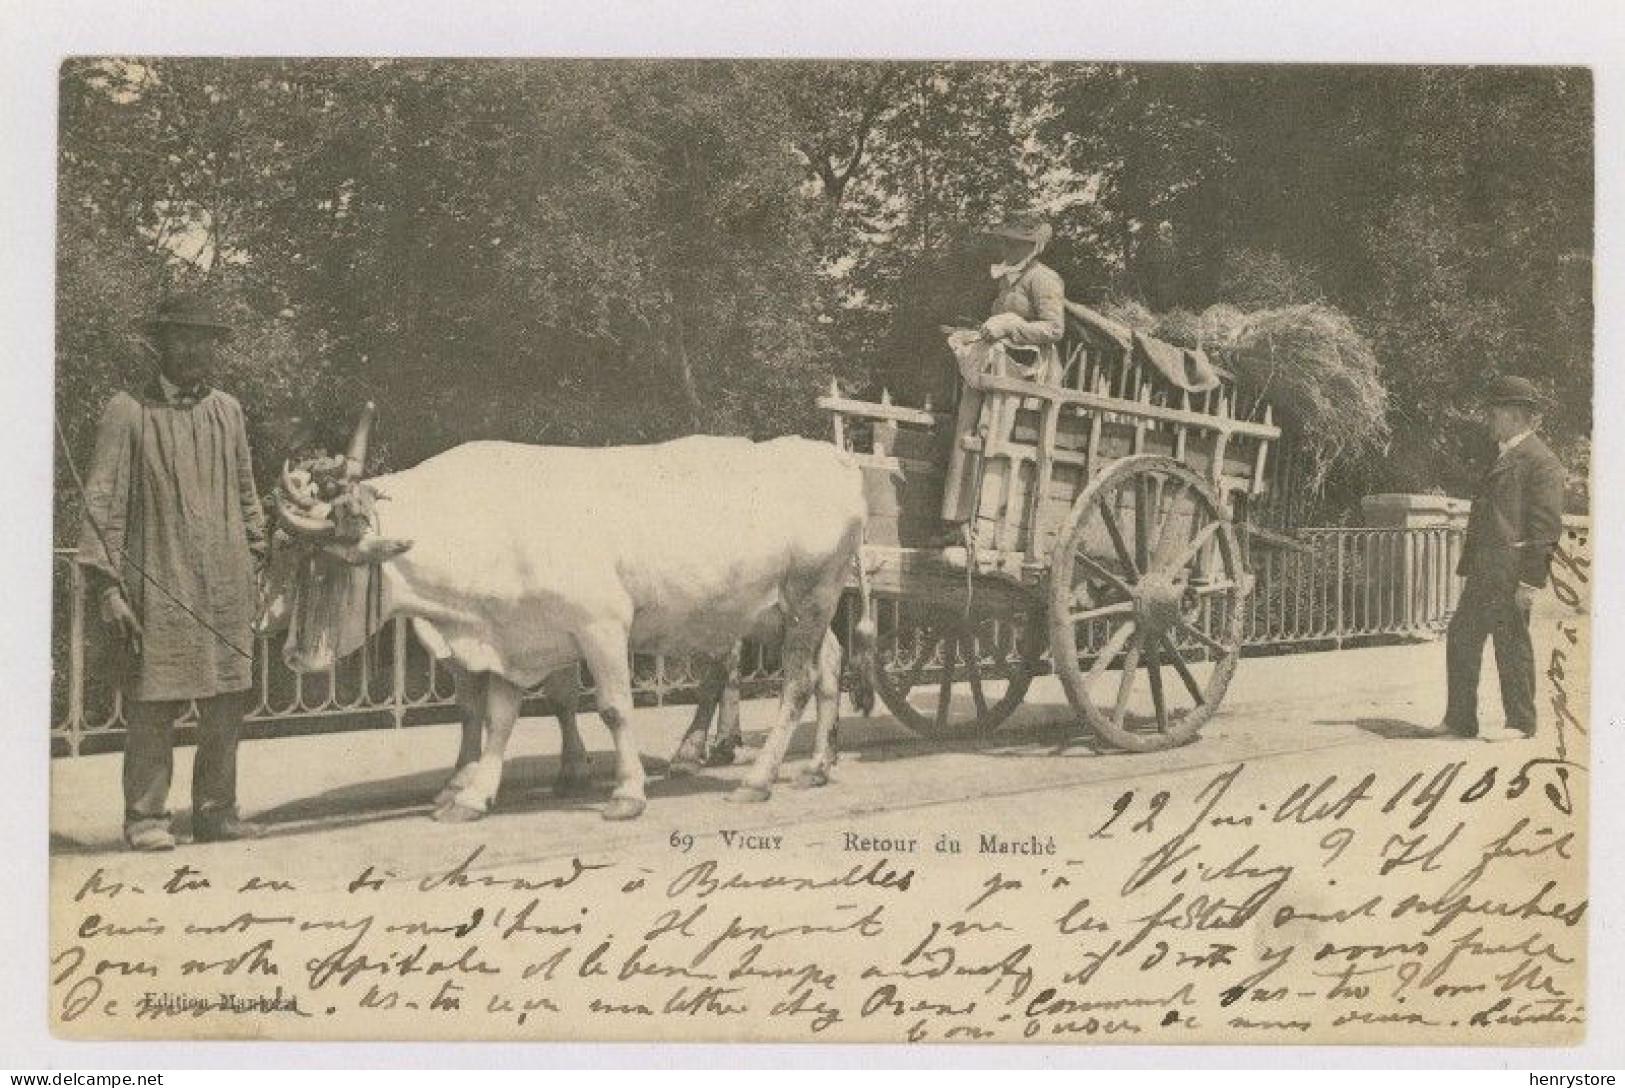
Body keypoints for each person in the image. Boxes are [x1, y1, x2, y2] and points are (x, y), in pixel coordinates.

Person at [77, 293, 269, 849]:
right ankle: (146, 818)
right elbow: (102, 499)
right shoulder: (128, 411)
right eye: (182, 337)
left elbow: (247, 491)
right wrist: (108, 587)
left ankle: (216, 813)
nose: (193, 349)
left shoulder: (227, 410)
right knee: (153, 698)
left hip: (227, 580)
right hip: (157, 577)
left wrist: (256, 559)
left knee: (227, 701)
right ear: (160, 343)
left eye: (204, 339)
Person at [1440, 374, 1566, 742]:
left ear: (1512, 415)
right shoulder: (1506, 455)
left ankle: (1520, 723)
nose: (1488, 421)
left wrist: (1530, 581)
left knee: (1511, 642)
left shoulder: (1542, 462)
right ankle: (1459, 721)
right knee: (1463, 636)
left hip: (1512, 572)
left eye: (1492, 414)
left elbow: (1545, 528)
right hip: (1486, 570)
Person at [941, 210, 1068, 527]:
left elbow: (1054, 330)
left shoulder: (1044, 279)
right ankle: (957, 518)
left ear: (1034, 247)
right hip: (997, 367)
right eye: (1006, 242)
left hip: (1027, 373)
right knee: (969, 432)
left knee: (997, 438)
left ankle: (988, 521)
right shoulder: (1008, 278)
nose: (1008, 249)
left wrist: (1012, 325)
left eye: (1016, 243)